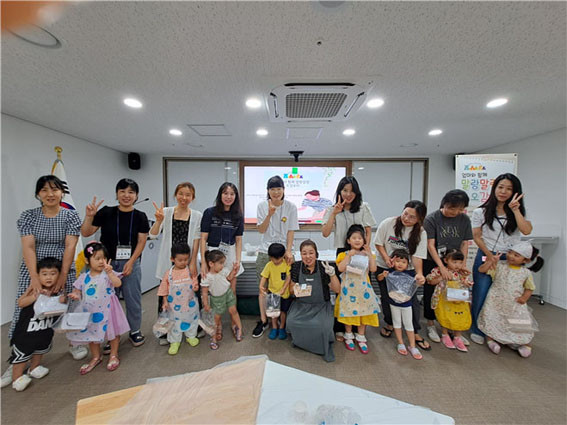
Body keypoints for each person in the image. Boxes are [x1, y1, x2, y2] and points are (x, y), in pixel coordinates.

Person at [5, 175, 83, 388]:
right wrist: (34, 277)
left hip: (62, 267)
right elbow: (29, 246)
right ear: (38, 194)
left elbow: (70, 246)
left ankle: (74, 343)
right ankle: (17, 360)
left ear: (62, 193)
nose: (50, 194)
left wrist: (63, 274)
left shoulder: (70, 216)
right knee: (25, 313)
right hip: (34, 269)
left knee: (68, 306)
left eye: (55, 189)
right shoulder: (28, 216)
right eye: (45, 190)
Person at [80, 178, 149, 348]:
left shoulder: (140, 216)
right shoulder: (106, 212)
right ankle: (111, 335)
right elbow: (86, 232)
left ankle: (135, 330)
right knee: (108, 300)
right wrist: (89, 216)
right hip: (105, 265)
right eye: (122, 191)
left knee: (133, 299)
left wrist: (131, 261)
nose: (126, 195)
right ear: (117, 194)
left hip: (130, 263)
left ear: (136, 195)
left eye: (131, 192)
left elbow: (141, 242)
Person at [470, 173, 532, 345]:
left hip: (511, 258)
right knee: (481, 292)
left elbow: (526, 230)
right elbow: (477, 236)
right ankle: (477, 328)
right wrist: (490, 256)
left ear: (515, 192)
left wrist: (515, 210)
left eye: (509, 189)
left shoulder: (518, 212)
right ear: (494, 188)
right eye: (500, 187)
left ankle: (503, 331)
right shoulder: (480, 212)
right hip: (487, 254)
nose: (503, 192)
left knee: (508, 296)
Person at [321, 176, 376, 341]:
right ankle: (342, 327)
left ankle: (359, 328)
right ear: (339, 191)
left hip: (361, 252)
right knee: (342, 291)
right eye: (345, 190)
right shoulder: (332, 209)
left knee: (361, 289)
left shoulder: (363, 207)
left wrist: (365, 249)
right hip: (343, 252)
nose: (348, 194)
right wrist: (334, 213)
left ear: (357, 192)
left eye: (352, 191)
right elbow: (325, 233)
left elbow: (368, 230)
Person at [373, 200, 431, 351]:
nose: (406, 218)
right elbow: (378, 243)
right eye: (405, 214)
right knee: (387, 297)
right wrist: (386, 258)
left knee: (411, 300)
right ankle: (390, 323)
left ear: (419, 219)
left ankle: (415, 331)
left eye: (412, 217)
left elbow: (417, 256)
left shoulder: (421, 233)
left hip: (407, 270)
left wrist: (419, 273)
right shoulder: (388, 223)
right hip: (385, 267)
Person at [149, 182, 202, 344]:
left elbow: (196, 239)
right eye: (181, 194)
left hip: (187, 262)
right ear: (175, 195)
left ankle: (193, 328)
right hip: (169, 261)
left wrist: (192, 262)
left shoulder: (197, 215)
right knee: (166, 295)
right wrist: (158, 221)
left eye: (188, 195)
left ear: (193, 198)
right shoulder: (166, 212)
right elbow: (153, 235)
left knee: (190, 295)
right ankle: (165, 331)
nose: (184, 197)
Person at [67, 242, 130, 374]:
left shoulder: (107, 274)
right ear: (87, 260)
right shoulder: (83, 277)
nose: (101, 261)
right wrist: (75, 295)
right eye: (97, 258)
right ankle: (96, 357)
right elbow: (77, 290)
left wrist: (110, 273)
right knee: (91, 335)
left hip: (109, 309)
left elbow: (118, 283)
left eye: (104, 258)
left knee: (113, 333)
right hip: (90, 312)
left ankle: (114, 354)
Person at [423, 189, 473, 345]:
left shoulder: (464, 219)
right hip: (434, 261)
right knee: (432, 292)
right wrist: (442, 267)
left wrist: (462, 264)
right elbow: (430, 245)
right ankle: (431, 324)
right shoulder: (432, 219)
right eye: (452, 208)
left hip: (455, 262)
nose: (455, 212)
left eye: (460, 209)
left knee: (455, 293)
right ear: (444, 203)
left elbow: (465, 243)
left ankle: (453, 327)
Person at [477, 241, 543, 358]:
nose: (511, 256)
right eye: (510, 252)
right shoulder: (500, 265)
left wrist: (524, 298)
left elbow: (530, 288)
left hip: (514, 303)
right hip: (495, 300)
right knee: (492, 319)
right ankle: (491, 339)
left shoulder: (526, 273)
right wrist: (491, 261)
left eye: (516, 255)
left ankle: (523, 343)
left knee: (518, 323)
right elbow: (481, 270)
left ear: (526, 260)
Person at [8, 258, 63, 391]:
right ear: (38, 275)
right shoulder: (34, 288)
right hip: (27, 331)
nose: (48, 277)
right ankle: (17, 378)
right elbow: (21, 303)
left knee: (41, 348)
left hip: (44, 329)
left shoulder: (58, 290)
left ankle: (34, 367)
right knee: (22, 354)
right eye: (44, 274)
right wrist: (35, 296)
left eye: (53, 273)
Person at [253, 176, 298, 338]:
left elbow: (291, 230)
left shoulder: (291, 207)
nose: (276, 192)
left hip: (285, 252)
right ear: (268, 191)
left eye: (279, 189)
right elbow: (261, 230)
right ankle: (264, 320)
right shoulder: (262, 206)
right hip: (266, 251)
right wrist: (269, 214)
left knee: (287, 287)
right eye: (272, 189)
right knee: (263, 288)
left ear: (284, 190)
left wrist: (289, 251)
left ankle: (283, 321)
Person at [286, 240, 341, 362]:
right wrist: (297, 289)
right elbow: (290, 290)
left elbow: (337, 289)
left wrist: (332, 274)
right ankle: (301, 341)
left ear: (316, 254)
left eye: (311, 253)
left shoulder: (323, 267)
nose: (308, 256)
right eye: (304, 253)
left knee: (323, 327)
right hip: (301, 305)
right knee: (291, 322)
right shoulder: (296, 267)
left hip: (321, 306)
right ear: (301, 255)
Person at [335, 225, 380, 354]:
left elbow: (373, 269)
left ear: (364, 240)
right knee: (348, 312)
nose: (357, 240)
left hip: (364, 290)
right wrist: (349, 256)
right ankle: (348, 335)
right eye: (354, 238)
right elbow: (340, 269)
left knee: (364, 312)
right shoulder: (344, 254)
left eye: (360, 238)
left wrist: (370, 255)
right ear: (348, 241)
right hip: (348, 290)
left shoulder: (368, 255)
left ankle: (361, 337)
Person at [377, 250, 423, 360]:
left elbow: (417, 284)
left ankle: (412, 346)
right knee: (396, 323)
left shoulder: (411, 274)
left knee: (409, 324)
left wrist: (420, 280)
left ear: (408, 264)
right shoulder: (389, 272)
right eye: (397, 261)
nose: (400, 264)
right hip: (393, 303)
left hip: (407, 303)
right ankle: (401, 343)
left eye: (403, 262)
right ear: (392, 261)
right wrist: (383, 275)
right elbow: (379, 278)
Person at [157, 243, 200, 355]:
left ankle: (191, 336)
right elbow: (164, 289)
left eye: (186, 259)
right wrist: (164, 301)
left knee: (191, 320)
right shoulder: (168, 274)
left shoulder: (190, 271)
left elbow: (194, 281)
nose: (183, 262)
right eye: (180, 260)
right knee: (174, 324)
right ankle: (174, 341)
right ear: (172, 259)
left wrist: (195, 286)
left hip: (189, 303)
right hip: (174, 306)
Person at [427, 249, 473, 352]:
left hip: (459, 299)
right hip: (444, 299)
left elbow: (467, 282)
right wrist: (440, 278)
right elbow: (430, 281)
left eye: (460, 262)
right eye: (454, 262)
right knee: (445, 315)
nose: (457, 265)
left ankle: (457, 336)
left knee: (460, 316)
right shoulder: (438, 270)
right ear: (446, 260)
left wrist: (467, 282)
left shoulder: (461, 272)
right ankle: (445, 334)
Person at [201, 250, 243, 350]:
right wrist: (206, 304)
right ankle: (214, 338)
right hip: (216, 299)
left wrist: (234, 270)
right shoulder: (207, 277)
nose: (222, 265)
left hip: (228, 294)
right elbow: (204, 292)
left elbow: (229, 278)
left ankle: (239, 330)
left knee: (233, 311)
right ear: (211, 264)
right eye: (220, 263)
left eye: (223, 263)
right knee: (216, 318)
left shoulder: (224, 270)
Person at [258, 243, 292, 340]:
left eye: (278, 259)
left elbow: (288, 277)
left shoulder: (286, 264)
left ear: (283, 256)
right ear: (270, 257)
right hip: (272, 293)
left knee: (283, 312)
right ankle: (274, 327)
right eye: (273, 259)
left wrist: (284, 288)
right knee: (273, 312)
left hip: (284, 294)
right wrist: (261, 286)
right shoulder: (269, 265)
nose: (276, 261)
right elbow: (264, 276)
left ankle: (282, 327)